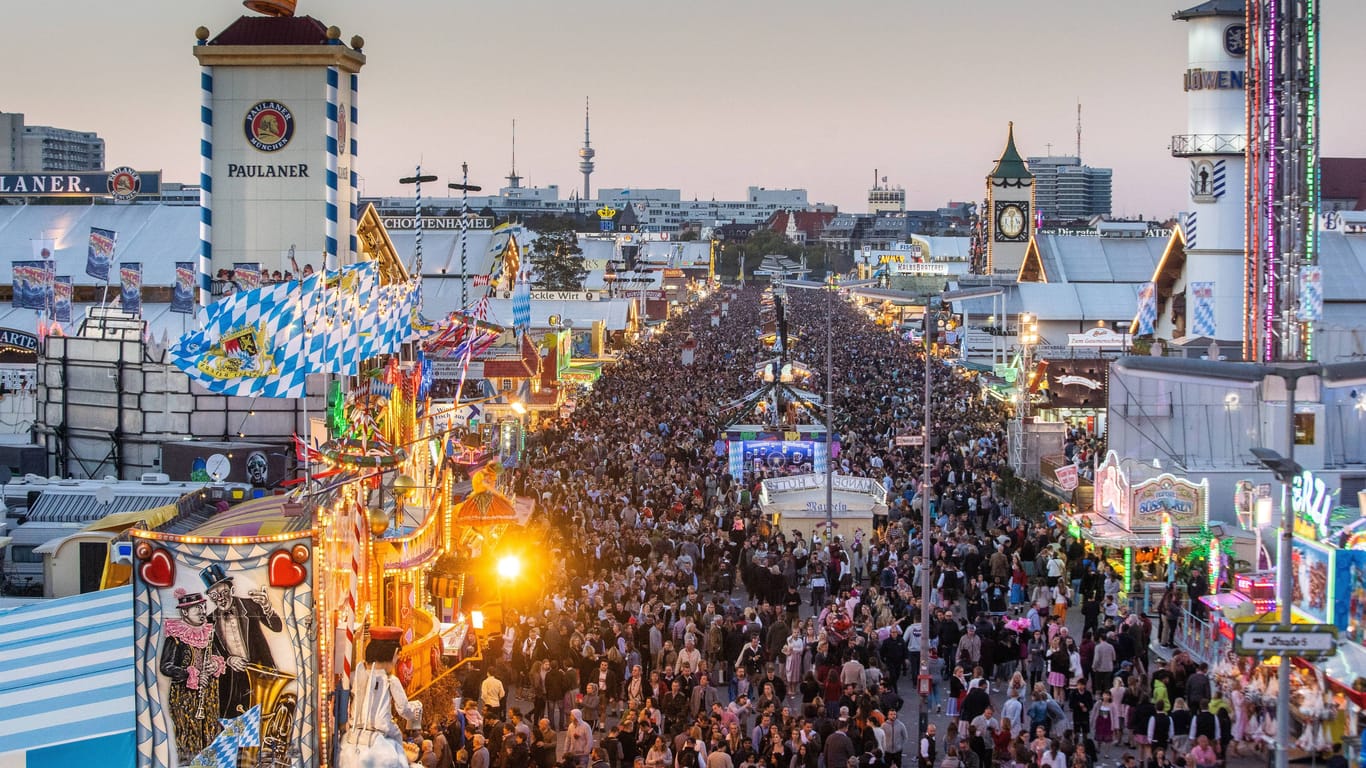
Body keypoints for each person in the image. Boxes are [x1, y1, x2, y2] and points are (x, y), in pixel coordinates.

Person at [201, 563, 284, 719]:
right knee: (234, 723)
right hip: (232, 682)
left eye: (224, 592)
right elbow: (210, 652)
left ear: (232, 590)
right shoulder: (209, 620)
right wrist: (228, 660)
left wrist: (267, 607)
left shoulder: (250, 605)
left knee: (264, 718)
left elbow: (277, 626)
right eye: (214, 595)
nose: (220, 598)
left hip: (259, 672)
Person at [338, 627, 420, 768]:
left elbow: (341, 701)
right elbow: (404, 709)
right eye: (397, 657)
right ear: (394, 653)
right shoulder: (390, 680)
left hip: (352, 740)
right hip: (380, 740)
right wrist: (415, 710)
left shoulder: (353, 676)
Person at [160, 589, 227, 759]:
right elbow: (166, 667)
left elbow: (218, 656)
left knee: (211, 733)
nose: (202, 612)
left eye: (203, 607)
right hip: (185, 698)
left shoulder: (209, 634)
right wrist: (191, 675)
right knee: (189, 735)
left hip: (208, 695)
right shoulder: (176, 638)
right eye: (196, 608)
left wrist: (214, 664)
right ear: (184, 612)